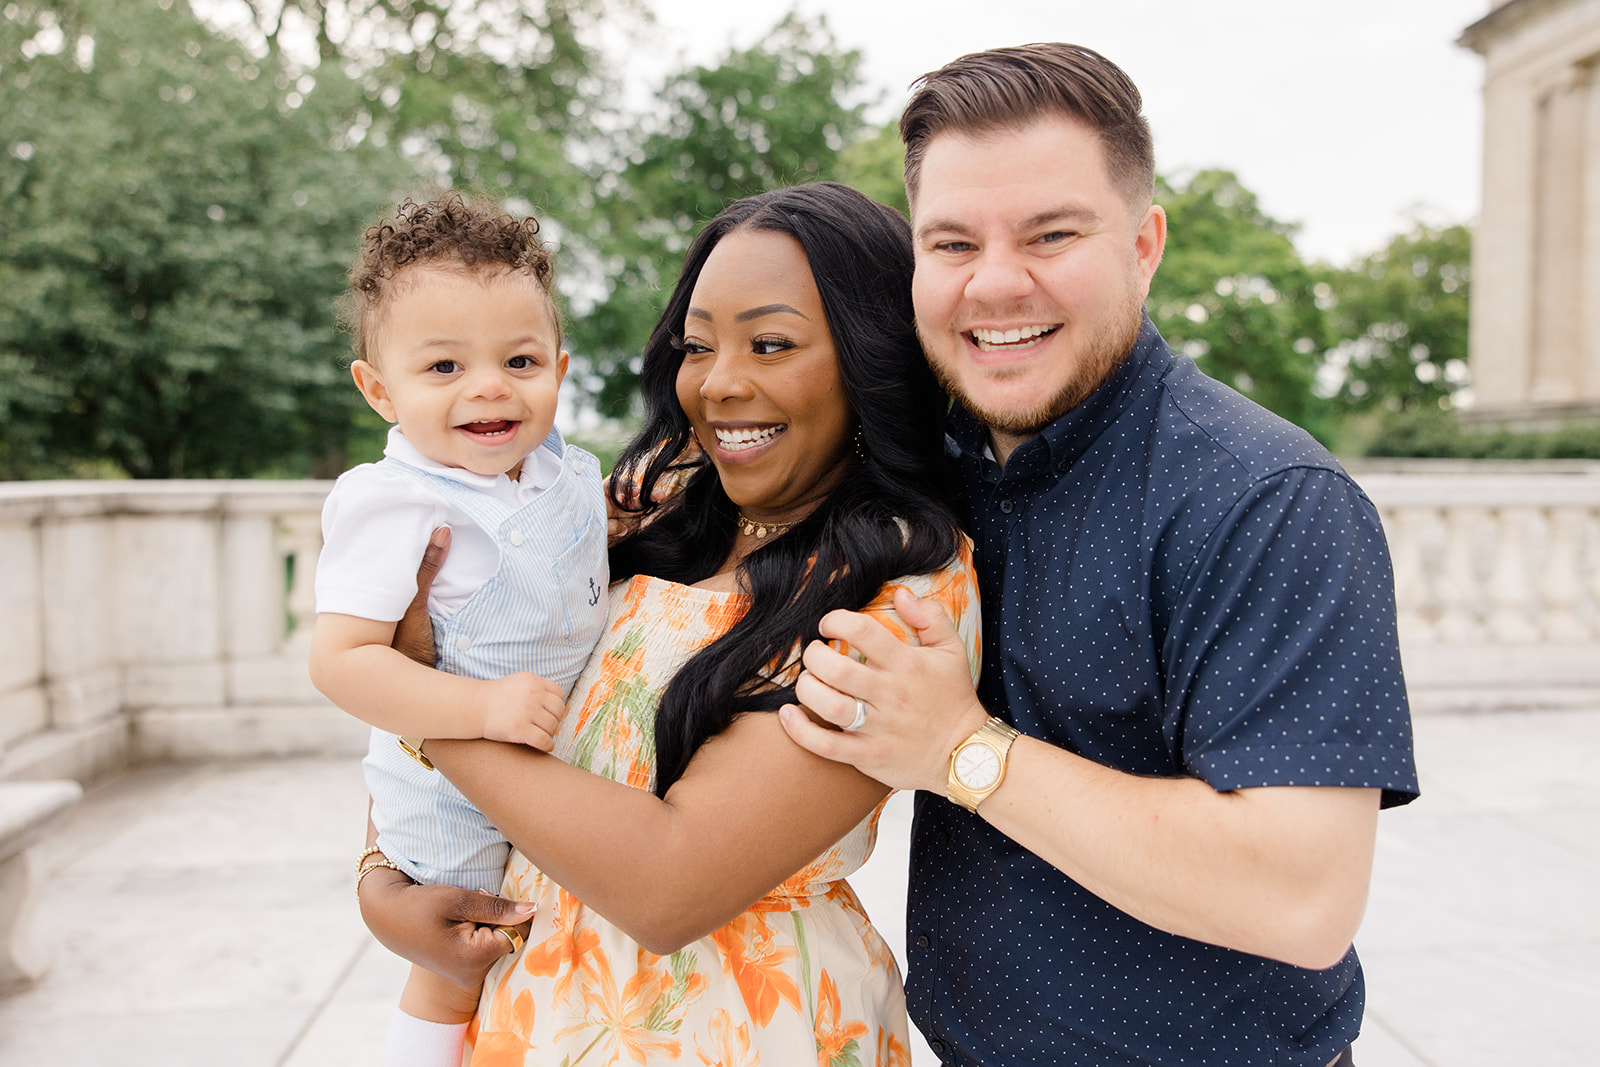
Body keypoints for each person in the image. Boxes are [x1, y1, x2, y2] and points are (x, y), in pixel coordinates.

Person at [779, 44, 1419, 1067]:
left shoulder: (1265, 499)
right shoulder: (919, 463)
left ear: (1143, 244)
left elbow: (1301, 894)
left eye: (1050, 234)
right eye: (951, 243)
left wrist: (959, 749)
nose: (995, 281)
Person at [355, 182, 982, 1066]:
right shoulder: (649, 508)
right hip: (526, 1014)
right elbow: (477, 658)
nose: (721, 382)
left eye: (771, 343)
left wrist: (426, 706)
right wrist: (383, 880)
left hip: (742, 1028)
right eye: (697, 345)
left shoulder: (905, 587)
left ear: (869, 357)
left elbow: (668, 885)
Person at [308, 193, 609, 1060]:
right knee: (459, 959)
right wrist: (474, 711)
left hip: (558, 764)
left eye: (518, 360)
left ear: (558, 366)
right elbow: (343, 660)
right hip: (451, 792)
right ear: (379, 389)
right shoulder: (394, 500)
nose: (488, 387)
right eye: (442, 368)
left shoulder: (557, 472)